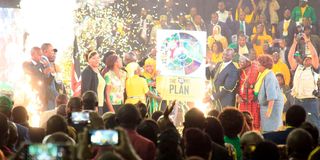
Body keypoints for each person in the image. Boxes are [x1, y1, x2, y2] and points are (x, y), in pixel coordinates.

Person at [255, 55, 284, 132]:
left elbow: (272, 97)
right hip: (265, 105)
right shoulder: (263, 74)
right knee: (266, 129)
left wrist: (269, 112)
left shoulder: (269, 76)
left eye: (259, 65)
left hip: (272, 106)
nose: (257, 66)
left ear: (264, 66)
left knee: (272, 130)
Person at [237, 54, 260, 130]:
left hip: (252, 101)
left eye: (242, 61)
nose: (239, 63)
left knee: (253, 123)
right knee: (242, 123)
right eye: (239, 61)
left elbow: (253, 83)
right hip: (243, 101)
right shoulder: (241, 71)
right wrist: (238, 96)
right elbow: (238, 86)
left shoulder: (254, 68)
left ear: (248, 62)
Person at [41, 43, 65, 107]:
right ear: (45, 52)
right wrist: (57, 96)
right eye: (52, 51)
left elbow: (60, 83)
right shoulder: (43, 62)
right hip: (48, 99)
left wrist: (63, 95)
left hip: (56, 98)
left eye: (54, 53)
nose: (53, 54)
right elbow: (46, 83)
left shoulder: (57, 67)